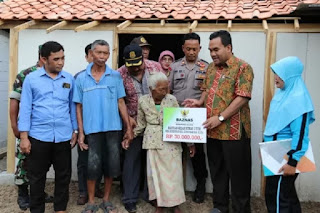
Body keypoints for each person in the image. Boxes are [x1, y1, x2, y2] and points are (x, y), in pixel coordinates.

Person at [183, 30, 254, 213]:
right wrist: (199, 102)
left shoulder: (243, 68)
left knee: (239, 176)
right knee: (217, 172)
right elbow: (206, 89)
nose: (212, 53)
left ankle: (241, 209)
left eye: (216, 49)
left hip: (235, 133)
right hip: (212, 131)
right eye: (210, 50)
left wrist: (220, 117)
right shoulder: (211, 68)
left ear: (228, 47)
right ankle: (220, 207)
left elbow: (242, 98)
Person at [73, 40, 133, 213]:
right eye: (98, 53)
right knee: (92, 167)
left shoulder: (115, 76)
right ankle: (91, 201)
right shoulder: (81, 78)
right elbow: (79, 107)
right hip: (92, 130)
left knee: (111, 165)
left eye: (105, 53)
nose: (102, 57)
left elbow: (121, 102)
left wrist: (128, 128)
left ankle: (106, 199)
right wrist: (81, 132)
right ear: (91, 54)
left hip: (113, 128)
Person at [18, 41, 78, 213]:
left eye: (63, 58)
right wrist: (24, 137)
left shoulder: (68, 79)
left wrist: (75, 130)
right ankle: (37, 210)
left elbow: (72, 106)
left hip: (63, 136)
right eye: (56, 59)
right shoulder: (31, 79)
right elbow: (26, 107)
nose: (61, 62)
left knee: (63, 176)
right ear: (44, 59)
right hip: (38, 136)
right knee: (36, 178)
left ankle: (60, 208)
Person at [134, 72, 195, 213]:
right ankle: (159, 204)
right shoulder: (143, 101)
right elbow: (141, 123)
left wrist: (190, 144)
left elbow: (181, 123)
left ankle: (175, 204)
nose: (165, 91)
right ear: (151, 89)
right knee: (155, 175)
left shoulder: (171, 99)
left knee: (174, 174)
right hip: (152, 141)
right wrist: (130, 136)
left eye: (166, 88)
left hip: (171, 141)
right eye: (161, 89)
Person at [264, 56, 315, 213]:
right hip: (274, 155)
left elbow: (300, 135)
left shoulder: (299, 100)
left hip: (286, 158)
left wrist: (293, 162)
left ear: (289, 75)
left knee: (277, 197)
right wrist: (265, 150)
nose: (275, 78)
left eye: (279, 73)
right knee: (287, 195)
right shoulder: (282, 95)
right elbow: (273, 126)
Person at [118, 44, 163, 213]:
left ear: (143, 59)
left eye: (138, 63)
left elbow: (165, 90)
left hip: (154, 122)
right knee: (131, 160)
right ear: (125, 62)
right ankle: (130, 197)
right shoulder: (120, 74)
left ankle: (151, 195)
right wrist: (128, 120)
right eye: (131, 65)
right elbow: (119, 100)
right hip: (134, 124)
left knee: (152, 160)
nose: (135, 67)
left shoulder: (155, 68)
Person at [9, 45, 54, 211]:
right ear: (44, 57)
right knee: (24, 161)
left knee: (41, 164)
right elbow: (15, 102)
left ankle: (38, 193)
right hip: (28, 128)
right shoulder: (26, 74)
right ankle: (22, 194)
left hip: (47, 130)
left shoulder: (56, 75)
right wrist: (16, 127)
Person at [169, 32, 209, 204]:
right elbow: (168, 90)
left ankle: (200, 186)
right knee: (174, 153)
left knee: (197, 155)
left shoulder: (207, 67)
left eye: (195, 49)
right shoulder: (175, 67)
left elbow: (209, 92)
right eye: (188, 49)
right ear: (183, 48)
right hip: (176, 117)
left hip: (196, 118)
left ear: (200, 48)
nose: (192, 52)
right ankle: (172, 189)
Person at [75, 43, 104, 205]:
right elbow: (75, 105)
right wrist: (78, 129)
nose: (96, 58)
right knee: (83, 161)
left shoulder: (108, 75)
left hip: (101, 126)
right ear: (87, 57)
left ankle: (97, 187)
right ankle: (83, 192)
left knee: (99, 159)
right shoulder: (78, 77)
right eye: (92, 55)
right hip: (85, 126)